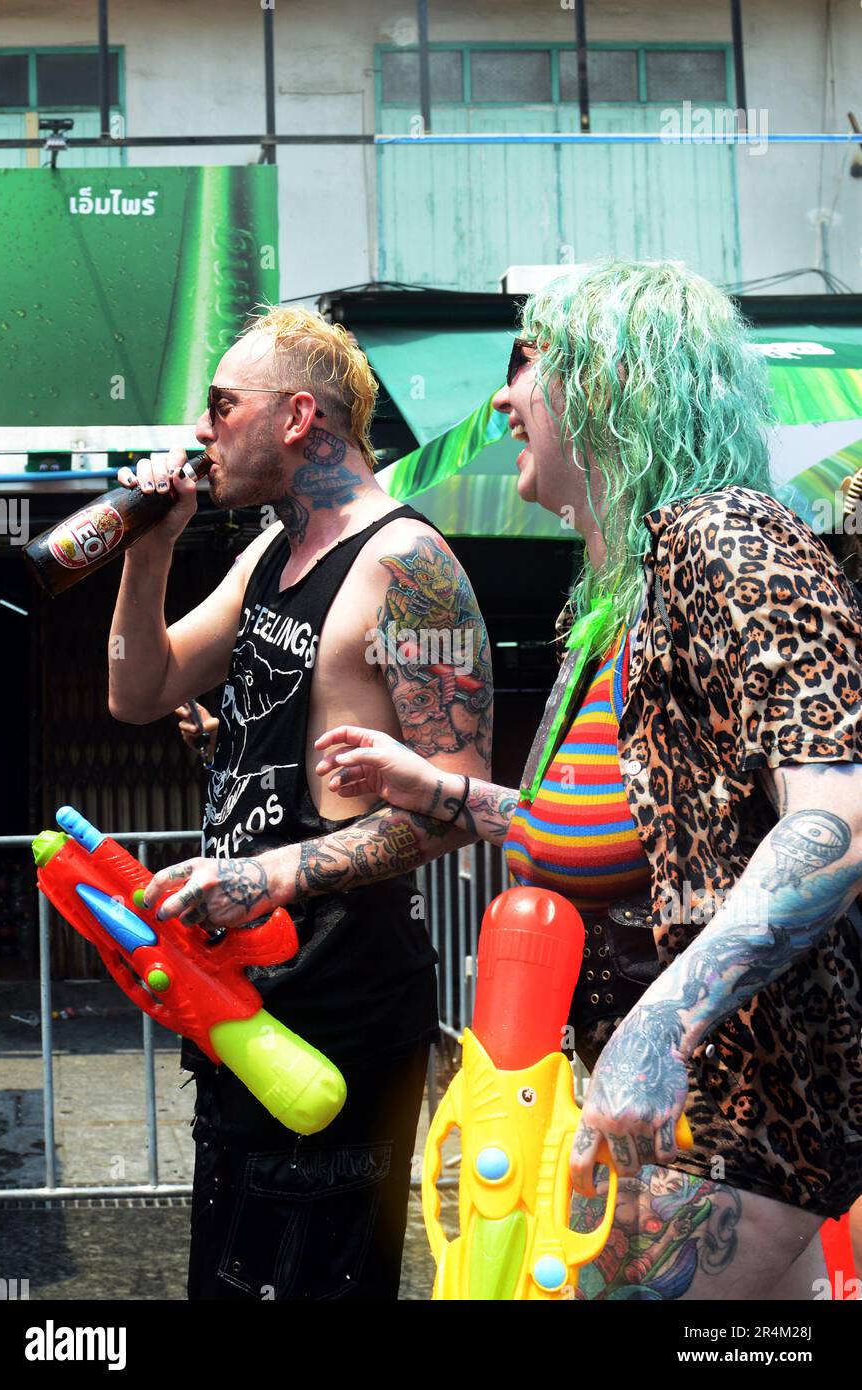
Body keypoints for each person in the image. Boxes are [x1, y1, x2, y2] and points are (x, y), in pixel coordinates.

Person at [313, 260, 862, 1300]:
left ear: (613, 385)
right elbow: (638, 841)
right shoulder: (613, 604)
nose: (500, 399)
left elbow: (836, 814)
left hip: (737, 1111)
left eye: (528, 364)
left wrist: (660, 1026)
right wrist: (444, 794)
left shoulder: (730, 537)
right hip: (662, 1118)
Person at [107, 305, 493, 1299]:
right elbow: (135, 690)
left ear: (295, 417)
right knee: (227, 1281)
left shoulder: (410, 569)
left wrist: (266, 874)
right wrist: (150, 547)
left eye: (222, 407)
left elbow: (456, 802)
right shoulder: (264, 556)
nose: (203, 430)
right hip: (236, 993)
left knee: (313, 1282)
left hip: (345, 999)